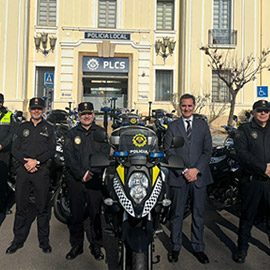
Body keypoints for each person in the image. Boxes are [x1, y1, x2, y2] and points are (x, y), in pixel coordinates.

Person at [164, 94, 213, 264]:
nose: (186, 109)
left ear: (194, 106)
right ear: (180, 106)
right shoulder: (172, 126)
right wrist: (184, 170)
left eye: (189, 106)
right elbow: (169, 151)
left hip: (198, 177)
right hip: (179, 177)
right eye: (184, 106)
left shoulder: (202, 125)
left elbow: (207, 151)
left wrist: (196, 170)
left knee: (198, 215)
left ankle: (198, 247)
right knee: (176, 214)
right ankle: (175, 247)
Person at [6, 97, 55, 254]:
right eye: (34, 108)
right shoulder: (22, 128)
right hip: (23, 171)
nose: (36, 111)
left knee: (42, 209)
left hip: (41, 172)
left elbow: (51, 150)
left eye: (39, 108)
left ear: (43, 110)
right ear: (29, 110)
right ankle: (17, 240)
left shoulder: (49, 128)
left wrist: (37, 162)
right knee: (21, 207)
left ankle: (44, 241)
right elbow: (15, 149)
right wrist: (26, 163)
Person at [63, 102, 110, 261]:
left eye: (89, 113)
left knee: (95, 214)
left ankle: (96, 245)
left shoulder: (101, 132)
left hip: (94, 180)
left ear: (93, 114)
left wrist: (92, 172)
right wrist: (82, 173)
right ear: (79, 115)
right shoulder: (71, 134)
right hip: (76, 180)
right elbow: (69, 157)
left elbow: (104, 154)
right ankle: (76, 245)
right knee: (76, 215)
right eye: (83, 113)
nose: (86, 116)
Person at [233, 100, 270, 263]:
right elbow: (242, 154)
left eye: (266, 111)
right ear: (253, 112)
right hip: (252, 181)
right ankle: (242, 249)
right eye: (259, 110)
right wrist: (263, 167)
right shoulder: (244, 130)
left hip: (269, 183)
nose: (263, 113)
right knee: (247, 218)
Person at [0, 93, 15, 226]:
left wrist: (2, 145)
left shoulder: (9, 115)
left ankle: (3, 207)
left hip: (3, 152)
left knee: (2, 180)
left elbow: (12, 133)